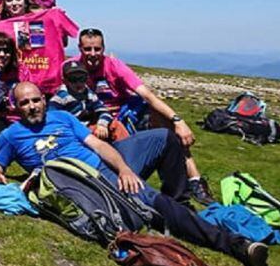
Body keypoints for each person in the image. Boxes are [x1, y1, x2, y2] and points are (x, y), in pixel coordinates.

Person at [0, 83, 268, 266]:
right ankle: (236, 245)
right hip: (89, 182)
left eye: (36, 100)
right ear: (16, 107)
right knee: (152, 202)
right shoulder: (11, 136)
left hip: (109, 164)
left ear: (43, 100)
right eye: (25, 103)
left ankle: (179, 202)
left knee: (164, 138)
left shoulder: (62, 118)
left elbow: (98, 145)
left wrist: (124, 169)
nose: (32, 106)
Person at [76, 28, 214, 204]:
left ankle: (194, 180)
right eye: (88, 49)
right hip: (94, 121)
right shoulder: (73, 68)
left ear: (103, 48)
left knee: (165, 122)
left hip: (124, 116)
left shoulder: (114, 66)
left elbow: (147, 96)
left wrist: (178, 121)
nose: (93, 54)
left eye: (97, 49)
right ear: (80, 48)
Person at [0, 0, 78, 95]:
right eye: (9, 0)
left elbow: (67, 40)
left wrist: (56, 17)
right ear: (5, 4)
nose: (14, 3)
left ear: (25, 1)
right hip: (20, 86)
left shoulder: (51, 17)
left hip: (50, 83)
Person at [51, 59, 113, 133]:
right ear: (65, 81)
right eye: (73, 79)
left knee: (115, 125)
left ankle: (126, 143)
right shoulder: (59, 99)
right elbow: (52, 119)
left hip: (89, 126)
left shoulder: (90, 94)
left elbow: (103, 110)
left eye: (82, 78)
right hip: (71, 130)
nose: (78, 83)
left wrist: (102, 124)